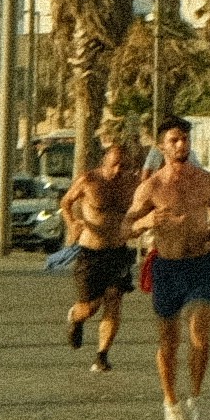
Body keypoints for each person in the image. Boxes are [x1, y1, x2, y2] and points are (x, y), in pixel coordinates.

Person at [135, 124, 210, 420]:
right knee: (169, 342)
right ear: (162, 147)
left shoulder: (206, 180)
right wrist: (148, 220)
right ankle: (170, 402)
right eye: (173, 140)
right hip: (167, 266)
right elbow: (127, 225)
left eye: (184, 139)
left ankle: (195, 398)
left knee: (200, 334)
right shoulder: (151, 187)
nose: (180, 145)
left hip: (201, 265)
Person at [62, 141, 140, 374]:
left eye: (124, 166)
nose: (118, 171)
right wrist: (72, 223)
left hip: (118, 251)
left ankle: (102, 354)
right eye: (114, 165)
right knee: (91, 307)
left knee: (114, 298)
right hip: (90, 252)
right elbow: (66, 202)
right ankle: (76, 318)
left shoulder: (133, 184)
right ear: (104, 163)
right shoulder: (88, 181)